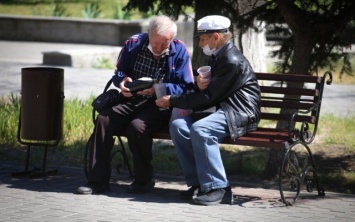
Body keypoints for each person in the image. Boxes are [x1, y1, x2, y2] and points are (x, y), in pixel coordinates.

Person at [77, 15, 194, 194]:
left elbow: (186, 87)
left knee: (137, 127)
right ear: (148, 34)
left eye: (165, 43)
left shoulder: (179, 50)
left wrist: (158, 89)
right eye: (156, 43)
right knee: (103, 120)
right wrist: (122, 82)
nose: (160, 48)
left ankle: (143, 180)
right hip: (130, 100)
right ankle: (97, 182)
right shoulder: (133, 44)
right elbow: (119, 72)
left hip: (159, 105)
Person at [155, 15, 261, 205]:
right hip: (222, 107)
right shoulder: (218, 55)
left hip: (239, 111)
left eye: (203, 39)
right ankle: (200, 184)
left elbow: (208, 98)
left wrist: (172, 100)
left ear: (215, 37)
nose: (201, 43)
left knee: (201, 130)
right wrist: (199, 84)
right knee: (179, 126)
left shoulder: (231, 59)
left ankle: (218, 187)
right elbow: (209, 93)